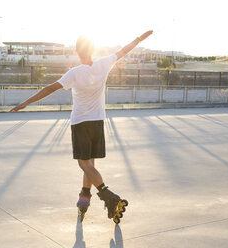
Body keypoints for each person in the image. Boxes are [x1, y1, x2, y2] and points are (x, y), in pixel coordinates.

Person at [10, 30, 153, 222]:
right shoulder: (104, 63)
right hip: (97, 122)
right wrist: (139, 38)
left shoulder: (74, 73)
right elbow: (124, 51)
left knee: (83, 164)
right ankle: (84, 198)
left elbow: (49, 88)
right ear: (92, 49)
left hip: (80, 123)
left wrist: (26, 102)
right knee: (90, 164)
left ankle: (108, 196)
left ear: (77, 51)